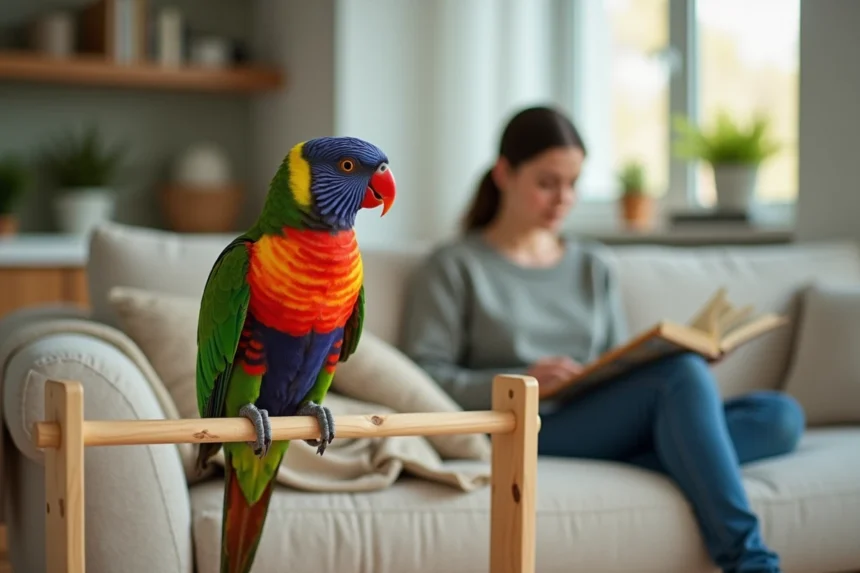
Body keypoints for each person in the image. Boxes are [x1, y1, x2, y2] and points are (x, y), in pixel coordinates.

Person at [398, 105, 805, 573]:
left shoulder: (592, 265)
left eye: (573, 184)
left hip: (597, 413)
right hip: (529, 424)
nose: (563, 198)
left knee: (780, 416)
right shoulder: (453, 266)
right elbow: (422, 379)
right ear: (504, 174)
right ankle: (750, 560)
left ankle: (680, 445)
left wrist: (679, 356)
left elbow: (617, 360)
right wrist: (523, 380)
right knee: (680, 380)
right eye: (547, 183)